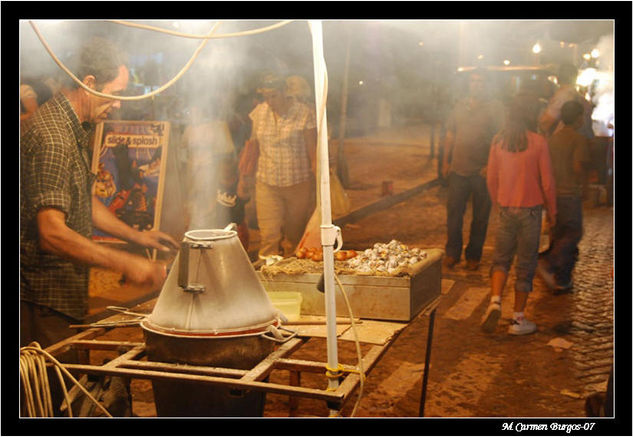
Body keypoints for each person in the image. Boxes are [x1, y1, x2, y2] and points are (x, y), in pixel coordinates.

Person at [20, 37, 179, 351]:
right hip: (42, 297)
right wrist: (127, 264)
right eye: (115, 94)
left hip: (64, 291)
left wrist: (136, 236)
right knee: (51, 394)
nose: (119, 104)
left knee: (68, 385)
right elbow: (51, 233)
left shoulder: (73, 123)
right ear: (89, 83)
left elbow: (80, 198)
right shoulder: (54, 137)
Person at [481, 94, 557, 336]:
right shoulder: (538, 142)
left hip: (505, 209)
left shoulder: (498, 142)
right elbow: (547, 183)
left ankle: (494, 301)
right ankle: (518, 320)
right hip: (531, 212)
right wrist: (552, 212)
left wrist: (497, 203)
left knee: (501, 260)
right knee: (525, 265)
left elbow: (491, 178)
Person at [246, 73, 317, 261]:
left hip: (297, 184)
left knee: (294, 237)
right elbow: (252, 146)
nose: (269, 101)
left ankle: (292, 275)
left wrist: (321, 180)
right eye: (266, 96)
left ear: (285, 92)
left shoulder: (303, 113)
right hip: (267, 183)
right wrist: (245, 175)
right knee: (269, 235)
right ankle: (268, 279)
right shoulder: (259, 113)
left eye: (274, 96)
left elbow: (313, 151)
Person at [441, 70, 504, 271]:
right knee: (454, 214)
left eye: (481, 82)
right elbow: (450, 134)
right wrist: (445, 160)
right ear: (469, 84)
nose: (477, 85)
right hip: (458, 169)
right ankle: (452, 252)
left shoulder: (494, 108)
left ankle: (473, 255)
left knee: (480, 216)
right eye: (473, 82)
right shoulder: (459, 106)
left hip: (481, 172)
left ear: (487, 85)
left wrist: (491, 165)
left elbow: (501, 138)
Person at [536, 100, 590, 293]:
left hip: (553, 195)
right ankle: (547, 261)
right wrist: (585, 186)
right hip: (569, 194)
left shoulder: (553, 140)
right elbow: (578, 167)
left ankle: (562, 279)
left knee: (558, 236)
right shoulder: (578, 140)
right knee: (574, 233)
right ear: (577, 118)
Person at [538, 63, 594, 141]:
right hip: (581, 143)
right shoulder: (580, 98)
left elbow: (546, 123)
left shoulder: (563, 95)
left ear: (558, 78)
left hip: (565, 145)